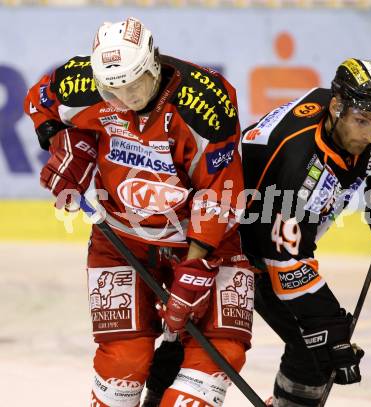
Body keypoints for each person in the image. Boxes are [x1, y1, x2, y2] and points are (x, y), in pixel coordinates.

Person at [24, 17, 255, 407]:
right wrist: (68, 147)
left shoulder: (204, 104)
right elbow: (39, 104)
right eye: (112, 89)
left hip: (201, 243)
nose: (125, 98)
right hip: (120, 241)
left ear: (153, 64)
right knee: (124, 363)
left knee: (222, 350)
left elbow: (220, 191)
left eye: (134, 85)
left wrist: (196, 268)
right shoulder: (79, 82)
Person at [239, 58, 371, 406]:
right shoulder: (299, 168)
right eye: (362, 122)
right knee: (314, 346)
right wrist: (327, 325)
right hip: (238, 243)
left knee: (315, 350)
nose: (369, 134)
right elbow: (285, 262)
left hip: (276, 228)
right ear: (336, 108)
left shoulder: (361, 122)